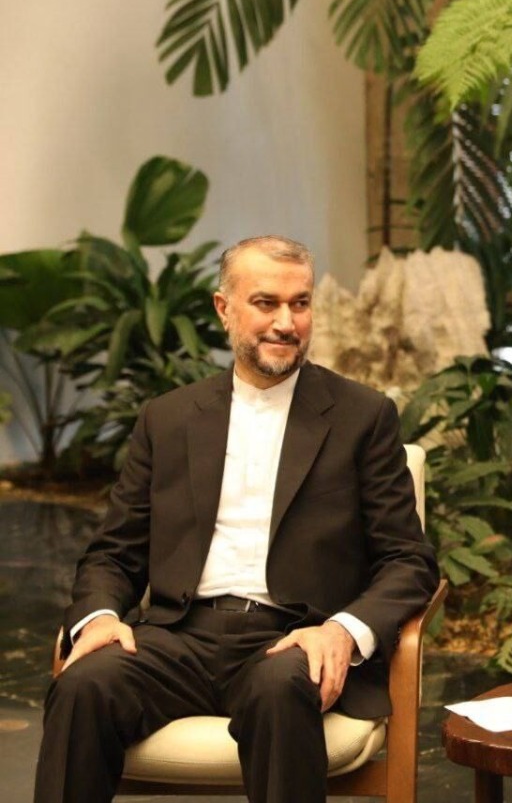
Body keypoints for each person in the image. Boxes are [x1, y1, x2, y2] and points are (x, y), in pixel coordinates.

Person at [35, 235, 439, 803]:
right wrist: (99, 615)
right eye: (266, 303)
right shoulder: (168, 419)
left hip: (293, 640)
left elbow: (408, 560)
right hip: (179, 637)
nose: (286, 322)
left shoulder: (361, 417)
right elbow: (114, 552)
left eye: (300, 304)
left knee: (279, 689)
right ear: (224, 309)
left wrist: (341, 632)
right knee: (83, 685)